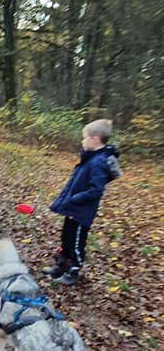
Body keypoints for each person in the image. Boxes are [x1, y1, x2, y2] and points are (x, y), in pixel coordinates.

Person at [43, 118, 122, 286]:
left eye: (84, 137)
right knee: (66, 238)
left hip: (81, 212)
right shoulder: (90, 158)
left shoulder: (98, 162)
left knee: (76, 243)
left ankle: (73, 271)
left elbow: (96, 190)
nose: (82, 141)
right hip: (73, 209)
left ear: (95, 139)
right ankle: (61, 266)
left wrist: (76, 199)